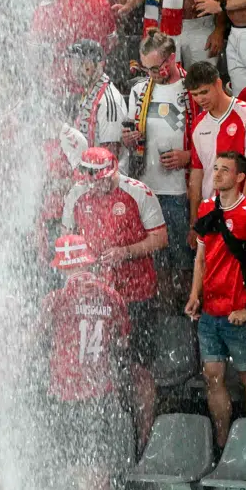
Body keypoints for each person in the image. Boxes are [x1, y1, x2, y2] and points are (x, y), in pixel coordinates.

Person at [64, 147, 169, 442]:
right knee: (98, 367)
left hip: (136, 293)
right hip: (95, 299)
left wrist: (125, 252)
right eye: (90, 179)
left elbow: (161, 238)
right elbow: (66, 242)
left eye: (101, 178)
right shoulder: (76, 195)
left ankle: (144, 436)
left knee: (138, 368)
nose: (96, 185)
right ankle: (105, 436)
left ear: (113, 171)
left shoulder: (138, 193)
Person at [188, 151, 246, 446]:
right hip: (211, 313)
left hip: (238, 313)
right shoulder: (205, 209)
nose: (216, 174)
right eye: (215, 169)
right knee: (212, 378)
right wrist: (194, 295)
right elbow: (201, 259)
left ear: (240, 177)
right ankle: (222, 444)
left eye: (224, 170)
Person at [42, 235, 134, 490]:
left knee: (72, 462)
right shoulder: (111, 296)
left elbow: (32, 339)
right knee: (97, 463)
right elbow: (123, 340)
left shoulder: (56, 299)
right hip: (100, 392)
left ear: (61, 267)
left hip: (66, 393)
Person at [126, 32, 201, 299]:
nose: (152, 74)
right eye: (146, 68)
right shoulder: (140, 90)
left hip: (179, 191)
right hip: (147, 189)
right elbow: (129, 138)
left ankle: (186, 306)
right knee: (155, 260)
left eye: (157, 68)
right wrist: (129, 139)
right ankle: (162, 306)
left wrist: (189, 156)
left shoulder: (192, 89)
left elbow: (211, 139)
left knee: (183, 256)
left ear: (172, 57)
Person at [186, 61, 246, 225]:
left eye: (204, 92)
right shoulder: (198, 123)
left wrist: (242, 216)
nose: (200, 99)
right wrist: (194, 219)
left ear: (218, 84)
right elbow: (197, 172)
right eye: (194, 94)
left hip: (243, 213)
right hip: (210, 215)